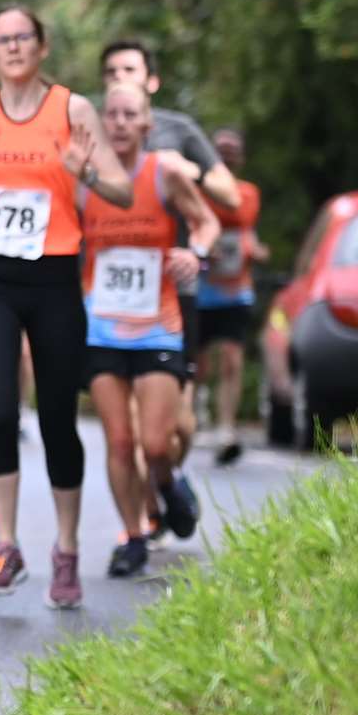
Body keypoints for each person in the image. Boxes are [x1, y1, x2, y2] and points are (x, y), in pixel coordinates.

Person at [0, 3, 132, 609]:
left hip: (54, 278)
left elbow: (119, 188)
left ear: (42, 48)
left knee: (58, 417)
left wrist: (86, 172)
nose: (12, 48)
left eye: (23, 38)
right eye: (1, 40)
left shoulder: (73, 109)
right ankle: (7, 544)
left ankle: (65, 551)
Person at [100, 38, 237, 534]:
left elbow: (228, 193)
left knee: (174, 426)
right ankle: (140, 522)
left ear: (151, 81)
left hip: (173, 292)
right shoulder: (96, 134)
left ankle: (168, 475)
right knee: (126, 427)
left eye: (130, 69)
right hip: (111, 299)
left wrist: (187, 169)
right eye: (112, 71)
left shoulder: (178, 132)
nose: (120, 77)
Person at [83, 84, 220, 576]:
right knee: (119, 442)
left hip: (157, 328)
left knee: (155, 443)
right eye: (111, 114)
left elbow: (205, 223)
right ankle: (134, 535)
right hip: (100, 329)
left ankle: (167, 484)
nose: (118, 122)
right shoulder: (87, 181)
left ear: (145, 124)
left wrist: (194, 253)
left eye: (129, 115)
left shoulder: (165, 174)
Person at [198, 129, 269, 465]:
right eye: (221, 149)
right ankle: (197, 410)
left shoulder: (249, 194)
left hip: (235, 290)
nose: (227, 155)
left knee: (231, 357)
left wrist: (256, 250)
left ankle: (226, 428)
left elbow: (247, 232)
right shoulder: (198, 190)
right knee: (198, 364)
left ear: (241, 157)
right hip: (200, 290)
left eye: (233, 150)